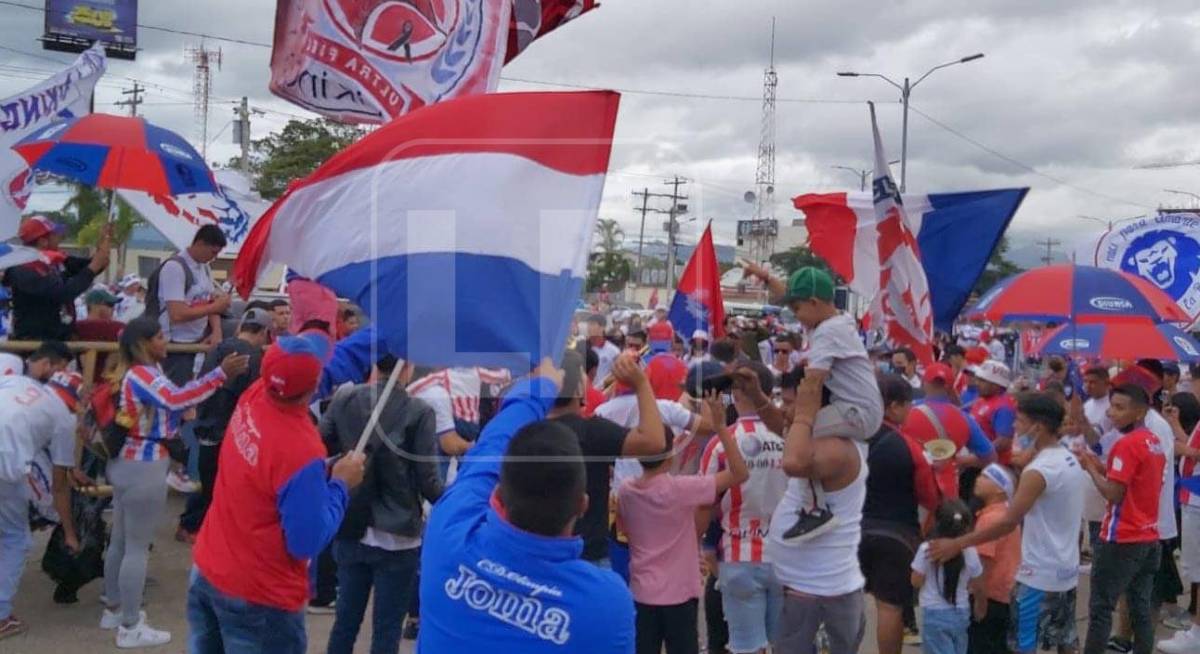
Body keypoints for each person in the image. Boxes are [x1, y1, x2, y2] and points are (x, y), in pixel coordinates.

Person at [418, 359, 636, 653]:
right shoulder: (606, 602)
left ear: (499, 493)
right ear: (582, 505)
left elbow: (488, 451)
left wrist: (540, 388)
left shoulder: (449, 533)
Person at [189, 332, 367, 654]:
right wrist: (340, 485)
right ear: (314, 388)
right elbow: (306, 541)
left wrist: (385, 335)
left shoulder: (256, 394)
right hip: (259, 598)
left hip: (209, 568)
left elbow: (319, 372)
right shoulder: (301, 448)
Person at [101, 317, 249, 648]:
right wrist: (220, 374)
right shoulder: (144, 375)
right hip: (145, 463)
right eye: (158, 337)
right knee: (135, 547)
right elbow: (177, 400)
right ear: (143, 344)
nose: (164, 341)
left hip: (126, 461)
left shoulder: (134, 373)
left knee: (122, 542)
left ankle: (114, 608)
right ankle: (129, 624)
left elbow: (173, 399)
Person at [929, 393, 1087, 654]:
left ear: (1037, 427)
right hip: (1065, 569)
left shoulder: (1040, 471)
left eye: (1020, 422)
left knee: (1024, 645)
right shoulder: (1066, 458)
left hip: (1039, 574)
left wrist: (957, 543)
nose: (1015, 427)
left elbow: (1008, 522)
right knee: (1065, 639)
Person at [744, 264, 883, 542]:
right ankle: (816, 505)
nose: (795, 315)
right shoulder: (832, 319)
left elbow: (813, 382)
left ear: (814, 303)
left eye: (797, 309)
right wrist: (769, 279)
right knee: (795, 429)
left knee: (800, 437)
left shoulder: (828, 331)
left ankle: (816, 509)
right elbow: (798, 298)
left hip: (857, 412)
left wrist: (795, 415)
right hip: (857, 408)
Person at [321, 355, 443, 654]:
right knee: (386, 629)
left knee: (345, 622)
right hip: (399, 534)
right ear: (409, 368)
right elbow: (428, 481)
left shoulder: (345, 398)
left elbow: (319, 445)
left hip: (351, 521)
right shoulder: (419, 411)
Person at [619, 393, 748, 654]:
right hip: (680, 593)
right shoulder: (683, 489)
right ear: (671, 453)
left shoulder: (626, 491)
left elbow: (623, 528)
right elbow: (739, 472)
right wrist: (721, 428)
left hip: (641, 592)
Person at [698, 362, 788, 654]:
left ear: (735, 394)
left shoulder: (721, 442)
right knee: (785, 644)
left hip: (738, 554)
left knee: (746, 647)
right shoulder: (788, 436)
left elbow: (704, 499)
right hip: (786, 555)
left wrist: (705, 545)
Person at [547, 350, 666, 566]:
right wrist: (641, 384)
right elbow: (654, 442)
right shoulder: (592, 432)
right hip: (589, 555)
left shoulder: (526, 431)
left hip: (538, 554)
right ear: (578, 390)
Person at [1079, 384, 1165, 654]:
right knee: (1140, 605)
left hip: (1121, 538)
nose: (1112, 413)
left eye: (1120, 407)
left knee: (1101, 607)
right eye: (1112, 406)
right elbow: (1131, 479)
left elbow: (1114, 494)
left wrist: (1091, 472)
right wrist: (1097, 465)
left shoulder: (1125, 444)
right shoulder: (1153, 441)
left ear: (1140, 411)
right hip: (1149, 537)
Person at [0, 373, 83, 641]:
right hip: (5, 466)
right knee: (17, 538)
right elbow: (59, 488)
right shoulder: (63, 419)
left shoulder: (22, 382)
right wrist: (69, 532)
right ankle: (1, 617)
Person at [860, 375, 939, 654]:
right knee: (890, 607)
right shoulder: (909, 445)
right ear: (893, 407)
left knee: (843, 602)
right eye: (908, 405)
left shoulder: (848, 437)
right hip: (895, 534)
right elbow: (930, 497)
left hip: (849, 531)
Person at [178, 308, 271, 538]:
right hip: (230, 433)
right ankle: (200, 531)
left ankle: (190, 526)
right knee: (220, 490)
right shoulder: (254, 357)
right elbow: (254, 399)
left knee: (207, 484)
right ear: (265, 332)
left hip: (205, 427)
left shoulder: (217, 349)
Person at [146, 225, 232, 385]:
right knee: (175, 391)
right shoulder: (175, 268)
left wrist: (216, 331)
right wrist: (215, 308)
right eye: (213, 252)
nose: (214, 257)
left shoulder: (204, 268)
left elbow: (210, 299)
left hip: (198, 340)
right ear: (200, 244)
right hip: (174, 343)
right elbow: (177, 314)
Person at [4, 215, 110, 340]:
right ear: (43, 241)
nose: (59, 238)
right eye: (55, 234)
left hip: (61, 340)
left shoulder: (56, 260)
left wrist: (104, 242)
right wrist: (93, 267)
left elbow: (92, 266)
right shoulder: (21, 268)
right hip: (36, 344)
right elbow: (63, 292)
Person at [911, 499, 983, 654]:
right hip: (961, 612)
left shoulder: (927, 549)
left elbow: (916, 581)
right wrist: (980, 605)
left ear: (937, 522)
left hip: (933, 612)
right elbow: (978, 584)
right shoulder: (970, 551)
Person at [968, 464, 1022, 654]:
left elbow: (983, 565)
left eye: (985, 477)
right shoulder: (1006, 515)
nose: (978, 479)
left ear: (1000, 489)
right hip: (1006, 597)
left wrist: (979, 601)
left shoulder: (990, 520)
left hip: (990, 598)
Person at [1161, 392, 1200, 653]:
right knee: (1194, 567)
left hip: (1197, 499)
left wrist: (1180, 448)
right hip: (1192, 497)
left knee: (1198, 569)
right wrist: (1176, 428)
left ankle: (1197, 634)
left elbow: (1192, 451)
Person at [967, 360, 1017, 466]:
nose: (977, 384)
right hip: (976, 461)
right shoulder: (981, 400)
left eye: (983, 381)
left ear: (997, 385)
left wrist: (980, 453)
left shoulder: (1004, 406)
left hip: (991, 467)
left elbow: (1004, 442)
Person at [73, 288, 125, 382]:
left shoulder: (76, 327)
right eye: (109, 304)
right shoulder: (118, 327)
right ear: (94, 306)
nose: (113, 308)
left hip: (81, 382)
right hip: (109, 383)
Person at [587, 314, 620, 388]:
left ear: (602, 327)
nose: (589, 328)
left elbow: (618, 374)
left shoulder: (613, 351)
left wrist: (604, 383)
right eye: (588, 324)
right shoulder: (582, 347)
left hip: (602, 394)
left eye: (592, 324)